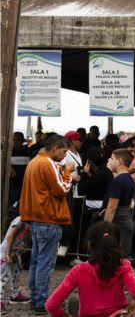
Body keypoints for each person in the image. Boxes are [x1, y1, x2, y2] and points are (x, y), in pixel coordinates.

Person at [19, 134, 74, 314]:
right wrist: (68, 173)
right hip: (49, 218)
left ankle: (36, 297)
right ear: (55, 148)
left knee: (37, 261)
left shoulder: (34, 162)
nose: (65, 155)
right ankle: (41, 301)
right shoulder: (47, 163)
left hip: (36, 218)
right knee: (45, 263)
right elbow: (61, 190)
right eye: (64, 151)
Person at [45, 222, 135, 317]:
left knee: (74, 301)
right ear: (118, 244)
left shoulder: (79, 270)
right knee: (129, 298)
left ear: (89, 245)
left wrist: (61, 315)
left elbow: (51, 305)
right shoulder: (123, 266)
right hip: (116, 313)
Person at [75, 147, 114, 257]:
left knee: (92, 236)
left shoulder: (100, 174)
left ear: (90, 162)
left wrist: (84, 174)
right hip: (101, 208)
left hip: (96, 210)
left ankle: (90, 257)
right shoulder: (105, 172)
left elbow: (82, 189)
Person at [102, 149, 135, 257]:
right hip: (126, 220)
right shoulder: (129, 179)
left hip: (117, 222)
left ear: (120, 161)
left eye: (112, 158)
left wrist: (105, 228)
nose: (109, 161)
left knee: (113, 256)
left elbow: (111, 207)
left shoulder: (118, 181)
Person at [58, 131, 85, 260]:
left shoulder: (78, 155)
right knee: (67, 221)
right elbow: (60, 170)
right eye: (79, 140)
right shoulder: (65, 154)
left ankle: (73, 254)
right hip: (68, 191)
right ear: (73, 141)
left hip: (78, 194)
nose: (81, 142)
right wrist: (73, 177)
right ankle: (63, 246)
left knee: (75, 224)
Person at [0, 213, 31, 314]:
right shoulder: (20, 220)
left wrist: (21, 246)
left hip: (15, 252)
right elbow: (10, 237)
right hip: (6, 252)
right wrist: (8, 254)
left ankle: (15, 296)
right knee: (3, 278)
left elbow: (19, 237)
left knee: (16, 274)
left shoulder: (28, 222)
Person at [8, 132, 31, 208]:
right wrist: (8, 167)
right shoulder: (9, 151)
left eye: (17, 139)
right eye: (13, 139)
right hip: (13, 184)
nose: (15, 141)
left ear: (22, 140)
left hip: (25, 183)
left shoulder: (28, 151)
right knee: (12, 205)